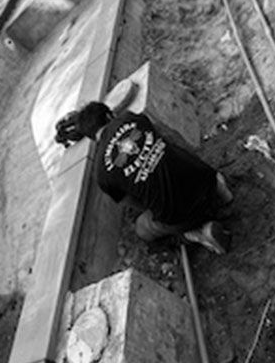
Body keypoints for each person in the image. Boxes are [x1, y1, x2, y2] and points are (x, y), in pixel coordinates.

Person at [54, 101, 232, 254]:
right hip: (205, 178)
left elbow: (138, 204)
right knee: (178, 159)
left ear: (92, 138)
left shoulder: (101, 173)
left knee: (142, 228)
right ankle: (220, 190)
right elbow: (170, 139)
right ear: (110, 115)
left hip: (182, 214)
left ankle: (199, 232)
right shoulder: (131, 118)